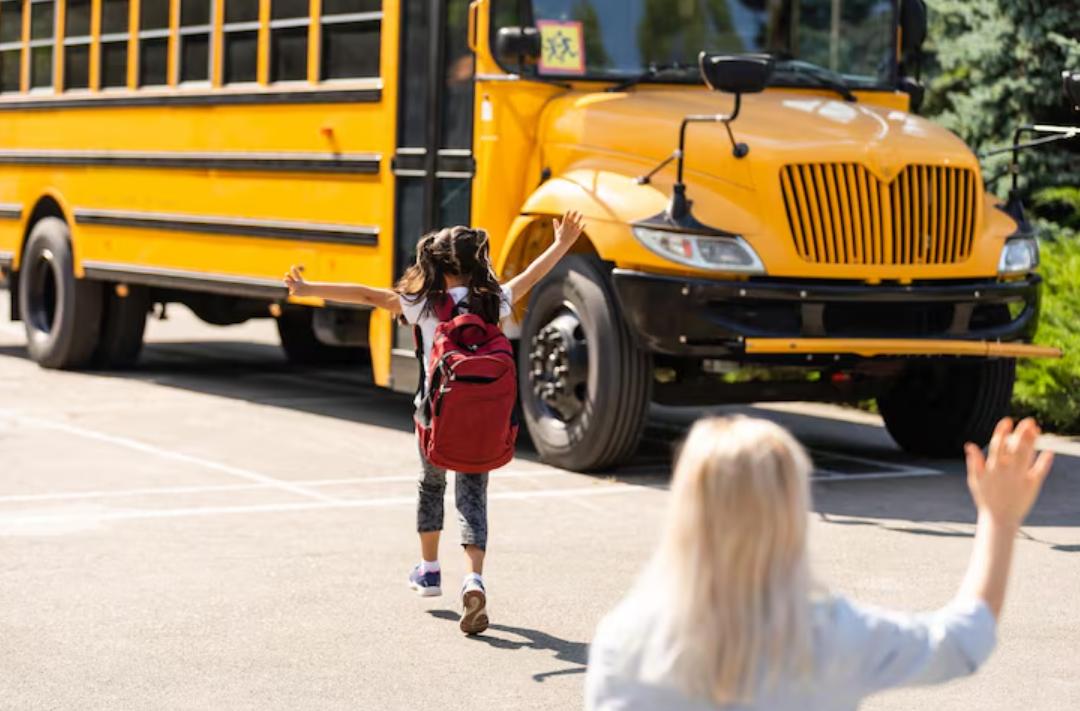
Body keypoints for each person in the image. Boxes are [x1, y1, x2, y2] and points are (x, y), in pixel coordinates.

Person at [585, 415, 1054, 710]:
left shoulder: (623, 642)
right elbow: (963, 642)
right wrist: (999, 518)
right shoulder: (833, 635)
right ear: (790, 511)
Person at [283, 211, 586, 635]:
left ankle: (428, 571)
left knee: (431, 486)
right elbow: (532, 276)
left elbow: (368, 296)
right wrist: (561, 244)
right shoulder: (492, 300)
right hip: (483, 417)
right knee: (473, 494)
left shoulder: (421, 302)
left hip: (434, 415)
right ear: (474, 262)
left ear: (437, 265)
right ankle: (473, 578)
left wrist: (307, 288)